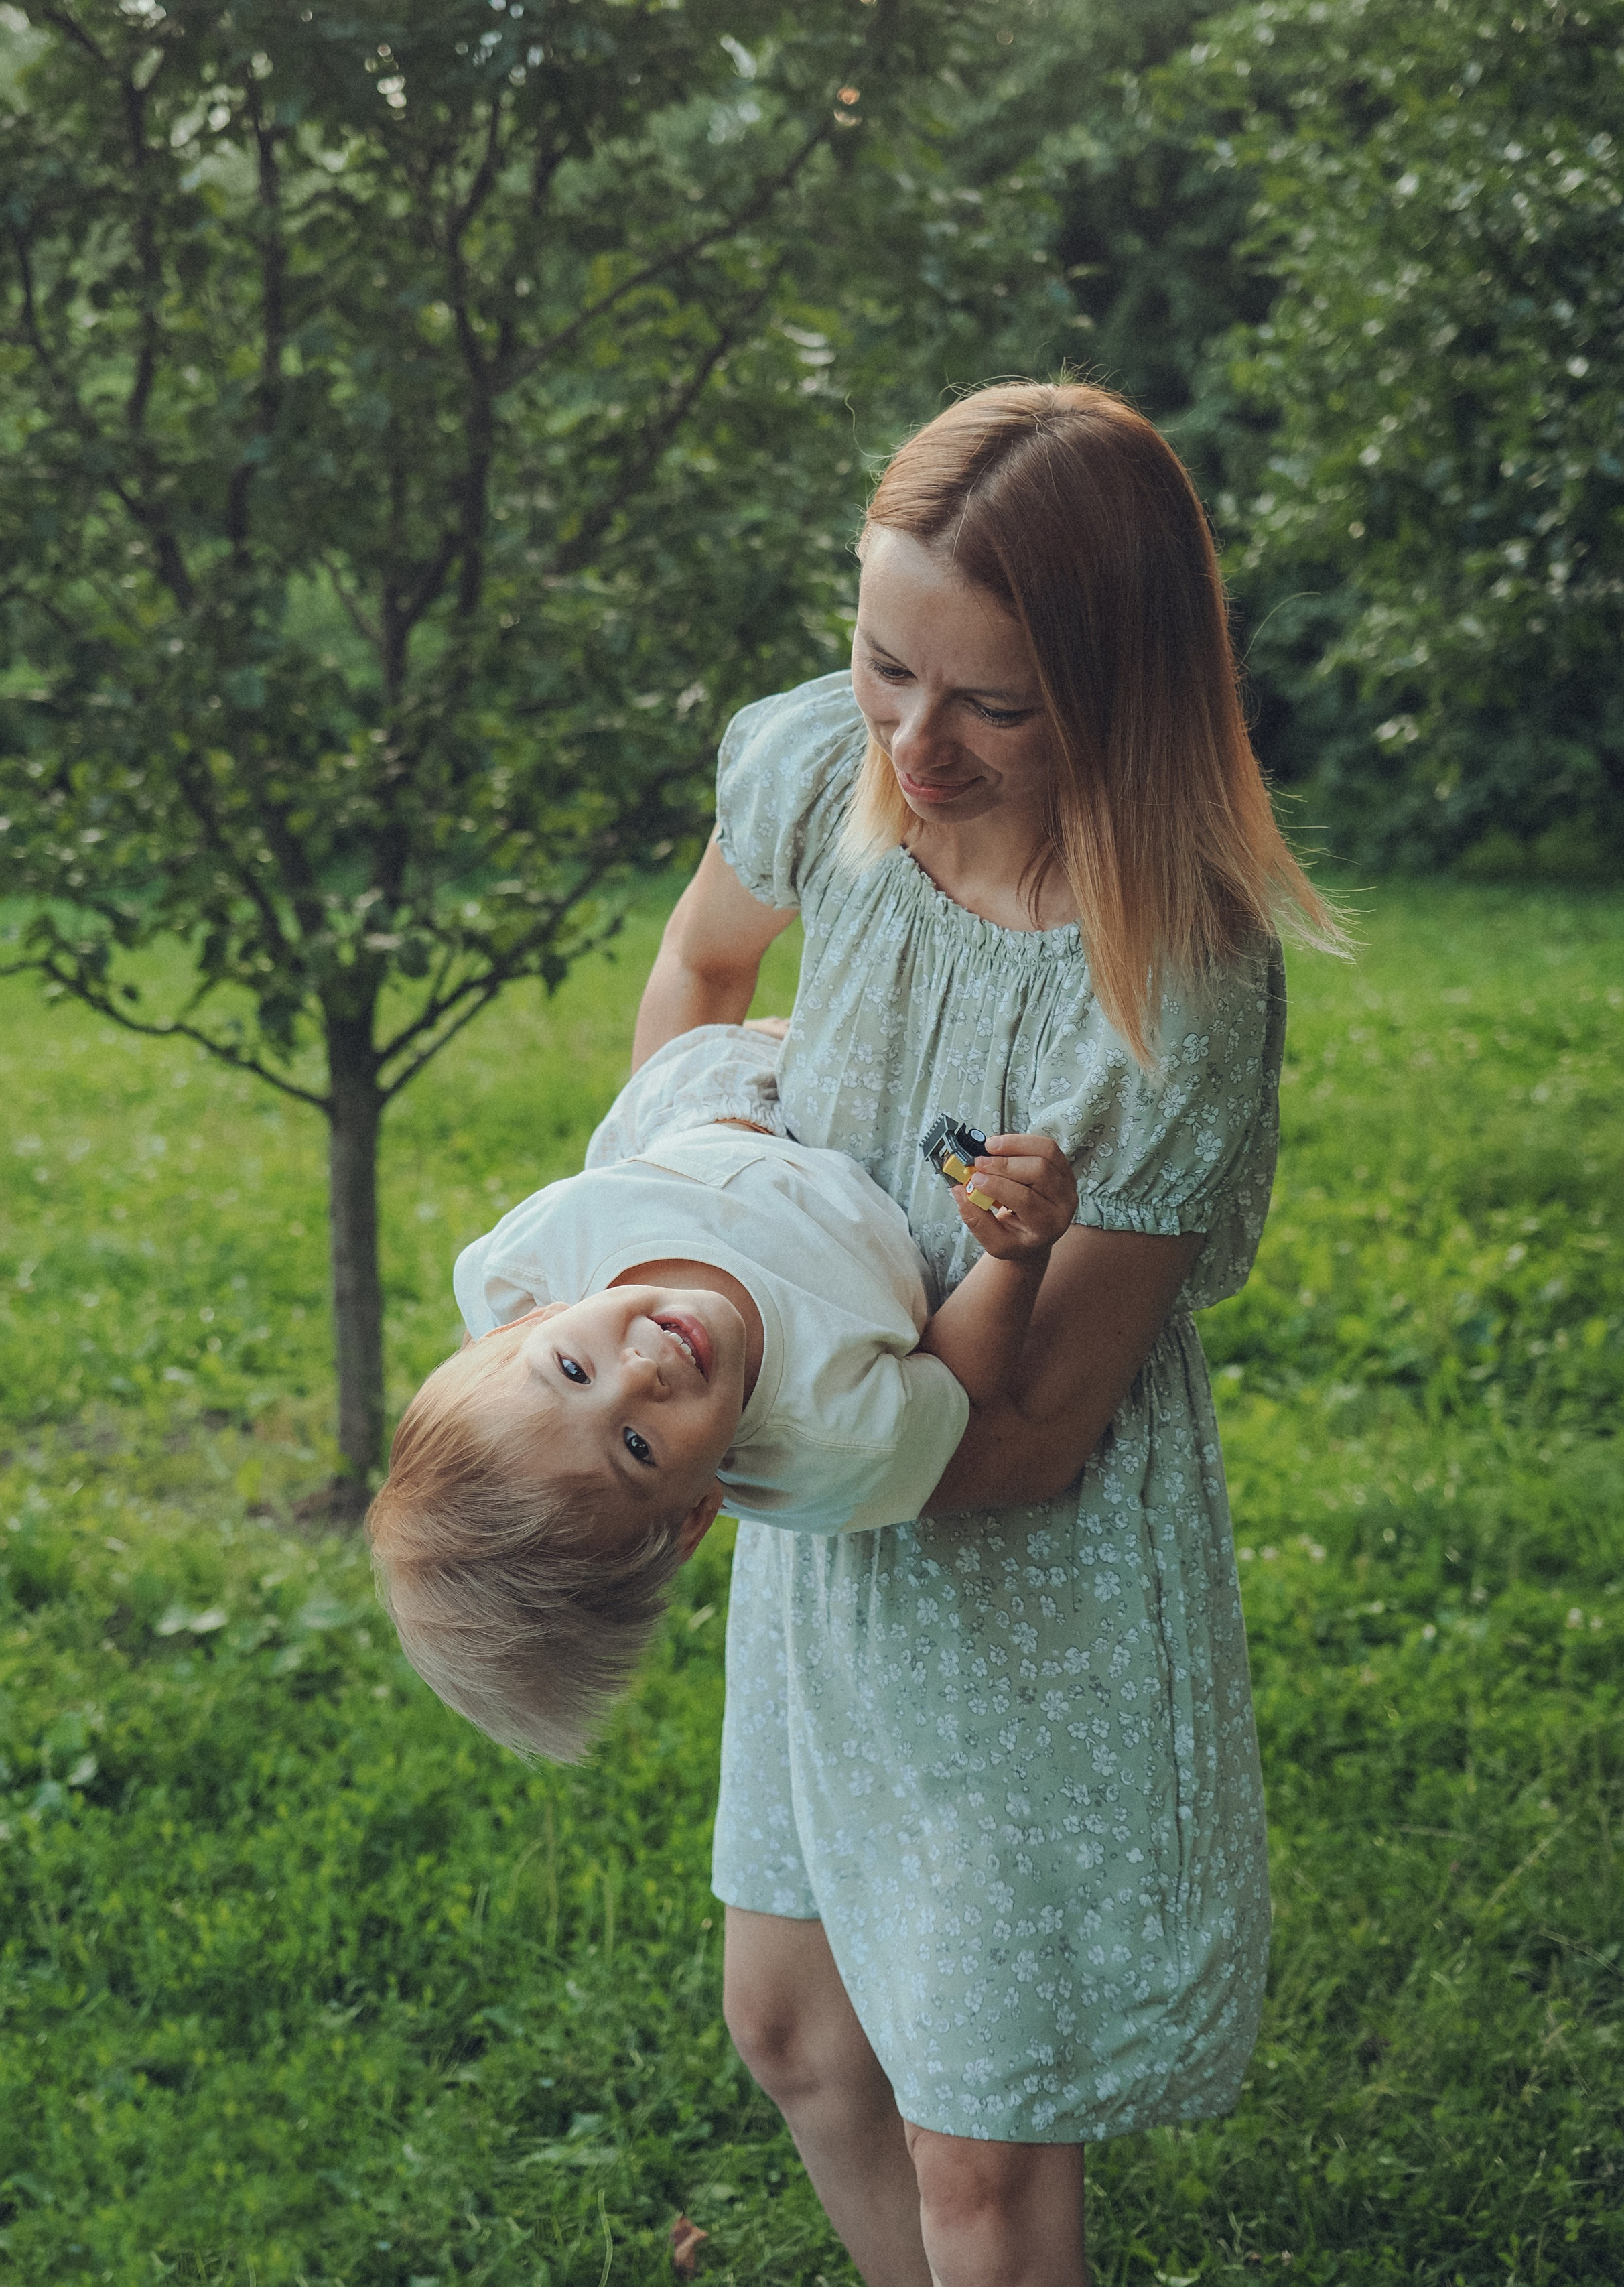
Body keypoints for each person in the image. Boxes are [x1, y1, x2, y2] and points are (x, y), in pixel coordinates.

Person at [630, 382, 1347, 2287]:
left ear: (1115, 692)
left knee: (978, 2141)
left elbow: (1026, 1431)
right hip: (824, 1525)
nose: (914, 743)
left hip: (1020, 1581)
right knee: (795, 2025)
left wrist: (751, 1442)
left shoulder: (1172, 981)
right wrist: (680, 1238)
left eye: (992, 705)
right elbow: (702, 965)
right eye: (886, 665)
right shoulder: (823, 769)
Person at [367, 1021, 1077, 1760]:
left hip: (706, 1102)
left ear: (534, 1317)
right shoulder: (836, 1437)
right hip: (849, 1151)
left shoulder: (534, 1259)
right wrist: (1017, 1258)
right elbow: (961, 1381)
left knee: (707, 981)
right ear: (697, 1515)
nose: (639, 1374)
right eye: (636, 1446)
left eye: (575, 1371)